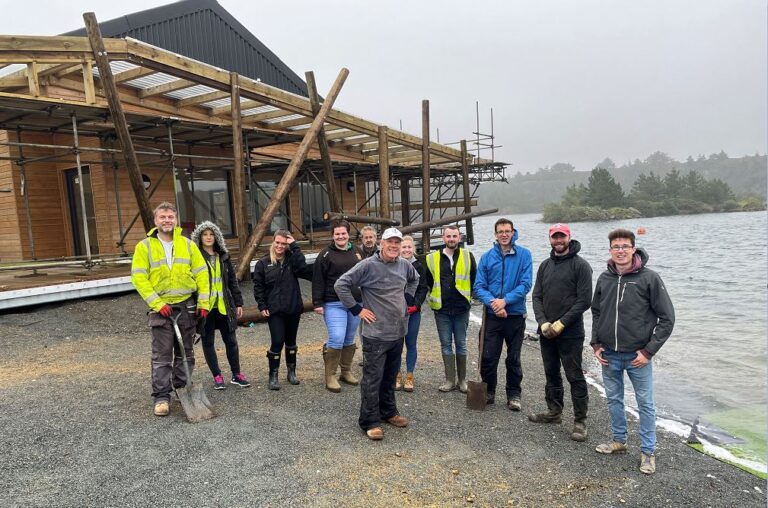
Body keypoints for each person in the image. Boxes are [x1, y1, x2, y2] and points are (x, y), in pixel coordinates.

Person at [591, 228, 675, 475]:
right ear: (610, 250)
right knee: (614, 400)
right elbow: (596, 312)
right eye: (616, 247)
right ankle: (619, 441)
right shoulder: (604, 278)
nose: (620, 251)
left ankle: (648, 452)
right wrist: (596, 344)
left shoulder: (649, 278)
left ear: (634, 249)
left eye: (625, 246)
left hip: (637, 356)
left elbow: (667, 319)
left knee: (645, 404)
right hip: (609, 355)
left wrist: (649, 352)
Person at [334, 227, 419, 441]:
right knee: (373, 378)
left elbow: (415, 279)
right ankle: (369, 421)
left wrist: (408, 298)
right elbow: (341, 284)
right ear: (381, 243)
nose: (394, 246)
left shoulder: (405, 265)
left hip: (397, 332)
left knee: (390, 376)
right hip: (375, 335)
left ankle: (388, 411)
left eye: (397, 243)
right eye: (390, 242)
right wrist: (357, 309)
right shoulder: (368, 265)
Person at [131, 202, 210, 417]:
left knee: (186, 352)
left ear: (176, 220)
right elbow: (139, 277)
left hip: (186, 305)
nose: (167, 220)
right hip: (161, 309)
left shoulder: (187, 245)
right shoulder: (144, 247)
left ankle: (182, 388)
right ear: (155, 221)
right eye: (163, 217)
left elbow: (202, 273)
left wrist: (204, 303)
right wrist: (157, 303)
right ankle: (161, 397)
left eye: (170, 217)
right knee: (162, 355)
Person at [530, 223, 592, 441]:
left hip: (571, 332)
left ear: (568, 238)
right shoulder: (545, 266)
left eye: (561, 237)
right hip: (547, 331)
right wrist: (543, 322)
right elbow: (536, 296)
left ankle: (580, 421)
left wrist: (562, 323)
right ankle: (554, 412)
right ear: (550, 239)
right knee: (551, 373)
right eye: (554, 237)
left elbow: (585, 300)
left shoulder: (581, 266)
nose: (558, 240)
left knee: (574, 376)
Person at [474, 218, 532, 410]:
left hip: (515, 315)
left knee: (513, 358)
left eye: (507, 231)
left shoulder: (524, 255)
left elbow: (525, 284)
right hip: (492, 316)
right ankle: (489, 390)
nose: (504, 234)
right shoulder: (487, 257)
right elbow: (479, 287)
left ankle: (513, 394)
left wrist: (505, 301)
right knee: (488, 356)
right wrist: (494, 303)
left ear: (513, 232)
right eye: (500, 231)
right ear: (496, 234)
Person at [191, 221, 248, 390]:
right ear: (199, 237)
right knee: (208, 342)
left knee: (231, 341)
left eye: (211, 234)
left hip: (224, 306)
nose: (208, 237)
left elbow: (232, 281)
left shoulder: (223, 256)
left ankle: (236, 374)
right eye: (205, 234)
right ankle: (217, 375)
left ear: (216, 237)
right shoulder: (195, 257)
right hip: (205, 307)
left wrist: (238, 302)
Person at [252, 229, 313, 390]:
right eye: (278, 242)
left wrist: (294, 246)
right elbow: (258, 287)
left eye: (284, 244)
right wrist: (262, 305)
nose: (280, 246)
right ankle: (273, 375)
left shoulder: (292, 260)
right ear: (273, 242)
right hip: (274, 310)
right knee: (277, 341)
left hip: (293, 307)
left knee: (291, 342)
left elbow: (303, 268)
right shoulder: (263, 263)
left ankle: (291, 372)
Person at [312, 219, 365, 392]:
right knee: (337, 337)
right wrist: (317, 303)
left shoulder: (358, 252)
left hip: (355, 303)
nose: (341, 236)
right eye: (337, 234)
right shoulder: (325, 254)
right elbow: (318, 279)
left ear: (348, 234)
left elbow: (365, 276)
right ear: (332, 235)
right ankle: (330, 376)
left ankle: (346, 371)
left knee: (349, 338)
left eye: (343, 233)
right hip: (334, 302)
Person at [424, 225, 477, 393]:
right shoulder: (432, 258)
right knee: (445, 344)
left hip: (461, 308)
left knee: (461, 344)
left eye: (454, 236)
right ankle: (449, 380)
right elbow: (428, 281)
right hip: (442, 309)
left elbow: (474, 279)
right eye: (448, 236)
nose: (451, 239)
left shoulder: (468, 256)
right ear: (443, 237)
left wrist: (470, 298)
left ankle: (462, 381)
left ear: (459, 237)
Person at [395, 235, 429, 392]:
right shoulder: (393, 265)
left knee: (411, 343)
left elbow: (423, 288)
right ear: (399, 249)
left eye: (409, 247)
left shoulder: (420, 267)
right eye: (404, 247)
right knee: (396, 344)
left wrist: (416, 305)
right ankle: (396, 374)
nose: (407, 250)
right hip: (395, 312)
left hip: (412, 311)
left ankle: (409, 375)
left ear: (413, 249)